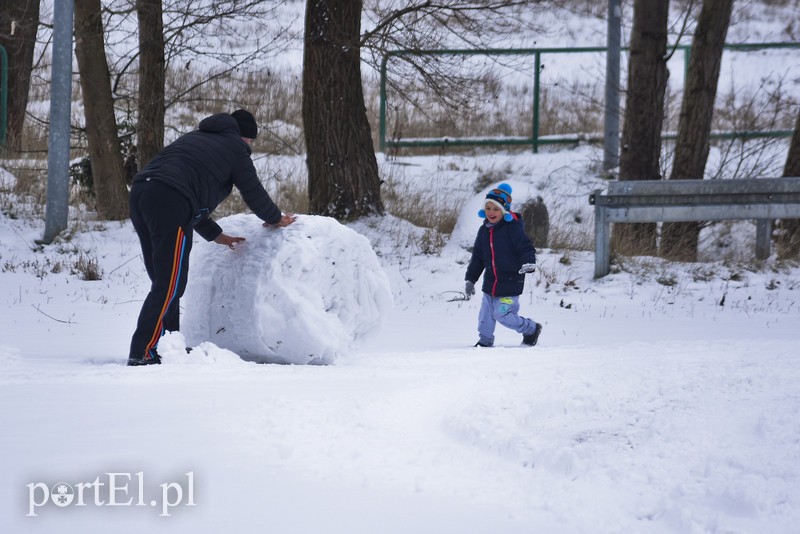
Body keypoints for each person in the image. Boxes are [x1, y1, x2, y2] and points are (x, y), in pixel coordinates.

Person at [127, 109, 296, 366]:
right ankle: (143, 351)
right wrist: (275, 217)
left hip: (142, 193)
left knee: (166, 282)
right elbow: (251, 190)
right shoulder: (234, 147)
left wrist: (215, 234)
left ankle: (168, 346)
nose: (250, 146)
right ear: (243, 137)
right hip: (169, 198)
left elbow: (186, 188)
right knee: (170, 284)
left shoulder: (196, 139)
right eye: (250, 141)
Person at [464, 183, 542, 347]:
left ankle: (531, 329)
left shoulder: (512, 229)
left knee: (503, 315)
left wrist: (528, 262)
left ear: (504, 210)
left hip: (510, 282)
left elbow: (525, 247)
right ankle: (485, 341)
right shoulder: (484, 231)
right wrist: (471, 279)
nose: (491, 212)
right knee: (485, 317)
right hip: (490, 283)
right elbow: (478, 257)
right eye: (488, 208)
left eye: (496, 209)